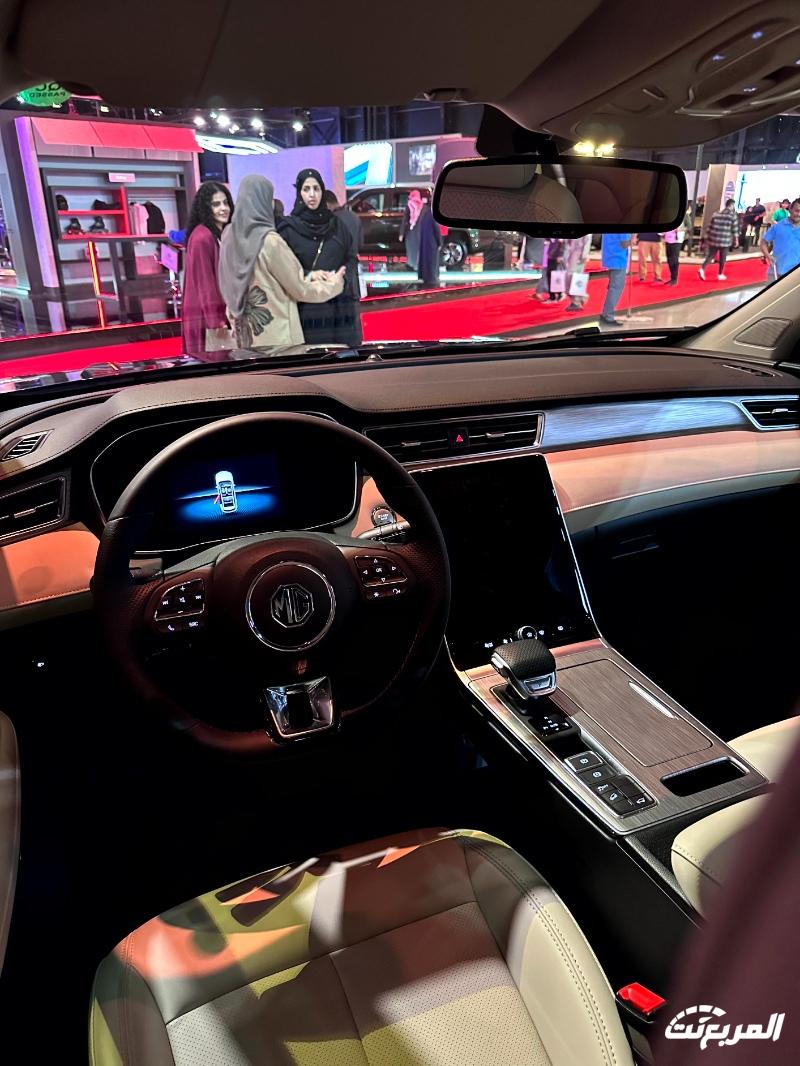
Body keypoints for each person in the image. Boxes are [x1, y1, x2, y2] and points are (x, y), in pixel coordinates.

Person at [218, 174, 343, 350]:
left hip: (243, 335)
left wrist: (311, 275)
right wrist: (334, 285)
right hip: (277, 339)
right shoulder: (269, 241)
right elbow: (300, 288)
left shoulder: (228, 237)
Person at [278, 168, 360, 347]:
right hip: (306, 310)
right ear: (299, 193)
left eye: (316, 188)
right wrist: (309, 274)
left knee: (341, 358)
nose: (312, 194)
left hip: (339, 308)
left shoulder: (337, 226)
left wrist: (342, 276)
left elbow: (351, 258)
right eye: (306, 189)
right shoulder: (287, 229)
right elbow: (282, 269)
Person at [180, 181, 234, 358]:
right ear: (205, 208)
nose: (223, 208)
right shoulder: (202, 237)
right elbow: (206, 284)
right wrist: (216, 321)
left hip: (214, 316)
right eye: (216, 204)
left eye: (225, 203)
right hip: (206, 319)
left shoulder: (215, 233)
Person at [324, 188, 363, 342]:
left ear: (326, 204)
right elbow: (360, 244)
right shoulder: (354, 217)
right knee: (353, 323)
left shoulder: (331, 221)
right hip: (352, 278)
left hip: (337, 277)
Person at [759, 198, 800, 279]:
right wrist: (768, 256)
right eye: (797, 211)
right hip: (775, 273)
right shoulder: (778, 226)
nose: (799, 214)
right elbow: (763, 242)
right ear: (790, 209)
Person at [699, 198, 738, 281]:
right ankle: (720, 274)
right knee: (723, 257)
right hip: (725, 240)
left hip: (714, 239)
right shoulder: (732, 215)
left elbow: (709, 227)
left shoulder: (716, 214)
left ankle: (702, 269)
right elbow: (735, 230)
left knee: (711, 255)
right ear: (731, 205)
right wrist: (736, 240)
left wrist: (706, 238)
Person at [600, 232, 631, 326]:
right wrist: (632, 240)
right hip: (618, 259)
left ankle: (606, 313)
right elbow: (624, 243)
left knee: (613, 287)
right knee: (616, 288)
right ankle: (608, 315)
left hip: (609, 256)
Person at [415, 194, 442, 288]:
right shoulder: (434, 214)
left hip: (425, 242)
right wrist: (439, 242)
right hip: (432, 243)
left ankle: (425, 277)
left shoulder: (424, 212)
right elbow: (436, 229)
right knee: (432, 261)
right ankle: (432, 278)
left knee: (425, 260)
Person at [562, 234, 592, 311]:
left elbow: (587, 239)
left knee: (575, 277)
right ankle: (581, 297)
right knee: (568, 277)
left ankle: (576, 302)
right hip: (570, 253)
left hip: (579, 254)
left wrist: (584, 254)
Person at [399, 189, 424, 270]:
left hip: (411, 232)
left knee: (411, 249)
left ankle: (412, 265)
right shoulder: (423, 206)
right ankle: (418, 265)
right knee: (418, 249)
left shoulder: (409, 205)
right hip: (420, 232)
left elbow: (405, 220)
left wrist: (401, 233)